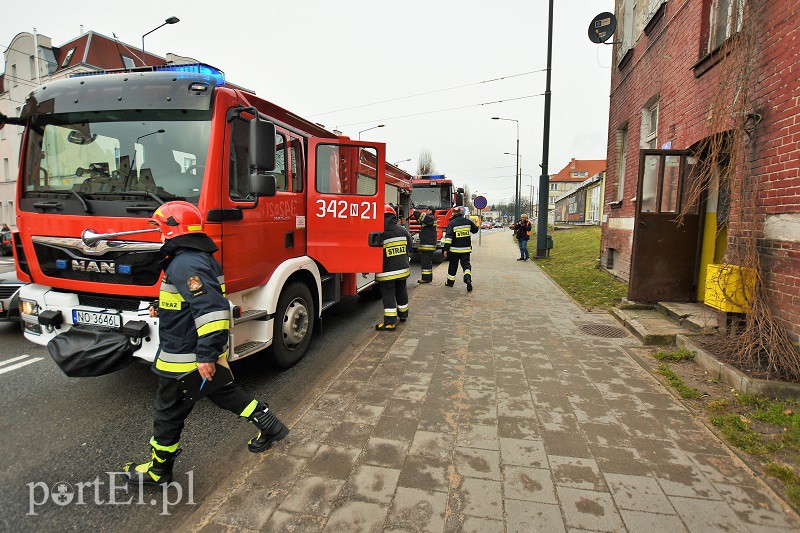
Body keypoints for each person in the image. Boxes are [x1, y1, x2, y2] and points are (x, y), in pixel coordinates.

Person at [123, 201, 289, 486]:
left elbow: (211, 308)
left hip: (185, 356)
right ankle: (270, 425)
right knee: (224, 392)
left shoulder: (185, 262)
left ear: (173, 230)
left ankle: (158, 472)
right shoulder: (197, 258)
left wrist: (206, 356)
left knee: (168, 412)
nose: (159, 235)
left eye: (160, 229)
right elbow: (195, 302)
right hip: (197, 349)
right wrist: (163, 307)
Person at [375, 205, 412, 331]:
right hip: (402, 270)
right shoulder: (402, 230)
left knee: (388, 295)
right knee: (402, 292)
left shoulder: (378, 232)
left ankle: (390, 322)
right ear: (393, 216)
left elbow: (372, 253)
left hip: (386, 272)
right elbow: (410, 246)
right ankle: (403, 315)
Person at [442, 206, 479, 292]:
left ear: (454, 213)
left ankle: (450, 282)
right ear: (461, 213)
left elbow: (448, 238)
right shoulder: (467, 222)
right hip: (466, 250)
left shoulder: (452, 223)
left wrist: (445, 249)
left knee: (453, 266)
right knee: (466, 265)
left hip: (454, 250)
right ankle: (467, 279)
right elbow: (475, 230)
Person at [416, 206, 437, 283]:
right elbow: (420, 221)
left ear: (430, 211)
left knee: (425, 263)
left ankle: (425, 279)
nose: (426, 211)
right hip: (429, 244)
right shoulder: (430, 219)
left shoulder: (430, 218)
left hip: (427, 245)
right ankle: (429, 278)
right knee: (428, 262)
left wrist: (416, 212)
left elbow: (423, 218)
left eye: (427, 210)